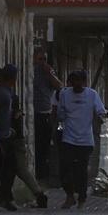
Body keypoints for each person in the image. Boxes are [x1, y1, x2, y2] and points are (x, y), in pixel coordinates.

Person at [0, 65, 48, 210]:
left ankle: (7, 198)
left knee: (11, 169)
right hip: (6, 138)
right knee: (10, 169)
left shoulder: (7, 94)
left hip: (10, 138)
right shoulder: (6, 94)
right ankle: (5, 198)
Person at [52, 70, 107, 209]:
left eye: (79, 81)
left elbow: (101, 111)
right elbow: (60, 114)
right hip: (68, 138)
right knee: (65, 170)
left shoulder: (92, 95)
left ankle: (81, 198)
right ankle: (69, 196)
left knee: (81, 171)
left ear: (84, 82)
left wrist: (101, 117)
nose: (77, 84)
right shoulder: (65, 94)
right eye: (74, 81)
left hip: (85, 141)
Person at [32, 48, 63, 180]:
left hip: (45, 113)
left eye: (44, 59)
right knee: (36, 144)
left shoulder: (48, 72)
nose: (42, 62)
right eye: (40, 59)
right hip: (34, 112)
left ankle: (43, 174)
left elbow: (59, 86)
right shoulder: (31, 71)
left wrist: (49, 73)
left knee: (44, 144)